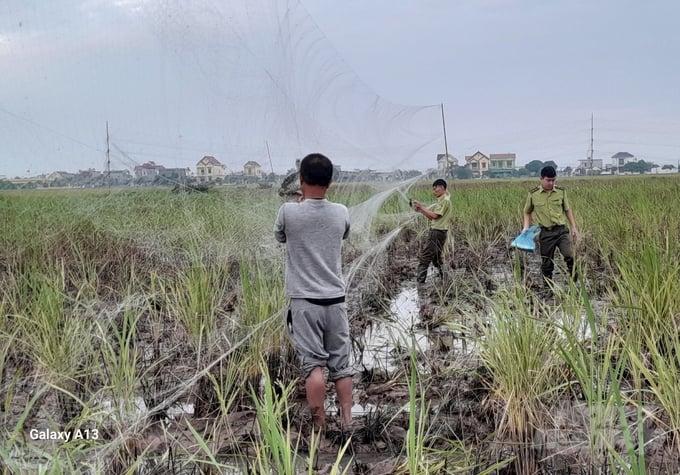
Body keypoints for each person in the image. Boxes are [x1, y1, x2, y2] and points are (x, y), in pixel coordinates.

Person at [273, 153, 353, 430]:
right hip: (336, 300)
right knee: (341, 365)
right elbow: (342, 234)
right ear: (330, 182)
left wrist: (299, 206)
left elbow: (280, 236)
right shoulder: (341, 212)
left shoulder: (288, 211)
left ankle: (319, 427)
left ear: (300, 180)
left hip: (305, 302)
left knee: (313, 366)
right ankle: (347, 422)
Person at [522, 165, 579, 293]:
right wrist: (526, 227)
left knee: (570, 256)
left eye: (553, 180)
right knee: (547, 264)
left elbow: (567, 210)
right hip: (546, 233)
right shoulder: (533, 194)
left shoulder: (561, 192)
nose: (551, 183)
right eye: (548, 180)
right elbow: (527, 212)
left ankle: (575, 284)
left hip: (561, 231)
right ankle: (548, 290)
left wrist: (574, 227)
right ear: (541, 179)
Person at [412, 178, 454, 284]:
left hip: (436, 232)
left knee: (425, 257)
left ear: (442, 188)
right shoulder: (442, 200)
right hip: (441, 232)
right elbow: (432, 217)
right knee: (436, 258)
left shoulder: (444, 200)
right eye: (433, 189)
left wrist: (421, 206)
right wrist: (421, 210)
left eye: (436, 189)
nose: (434, 191)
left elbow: (434, 216)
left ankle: (420, 283)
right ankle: (446, 278)